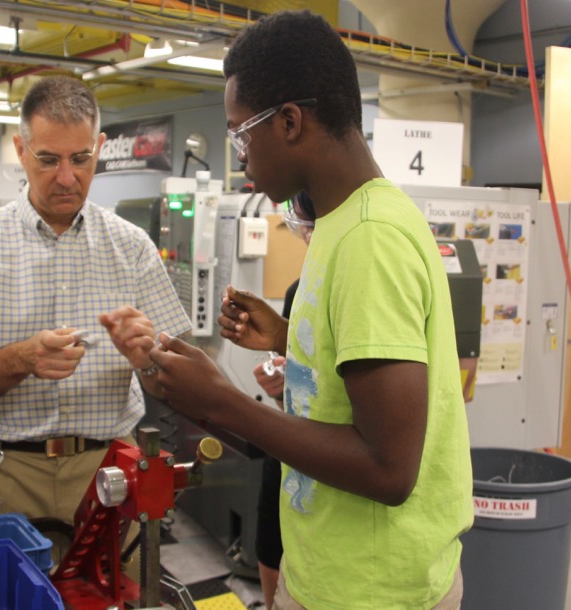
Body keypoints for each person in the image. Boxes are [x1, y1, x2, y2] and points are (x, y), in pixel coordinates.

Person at [148, 10, 473, 609]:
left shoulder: (371, 239)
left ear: (291, 122)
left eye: (241, 133)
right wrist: (291, 337)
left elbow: (388, 469)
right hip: (332, 570)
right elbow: (362, 370)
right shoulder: (341, 221)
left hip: (371, 592)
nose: (241, 156)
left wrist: (222, 401)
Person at [0, 76, 191, 537]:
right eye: (48, 159)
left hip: (107, 472)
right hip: (4, 473)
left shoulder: (132, 247)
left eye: (81, 159)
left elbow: (177, 379)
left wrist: (149, 362)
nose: (66, 176)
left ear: (99, 147)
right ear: (21, 150)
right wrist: (21, 360)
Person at [251, 192, 315, 610]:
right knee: (271, 546)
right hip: (291, 461)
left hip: (331, 471)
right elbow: (298, 401)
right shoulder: (299, 293)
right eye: (305, 231)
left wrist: (219, 401)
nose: (311, 243)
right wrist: (279, 390)